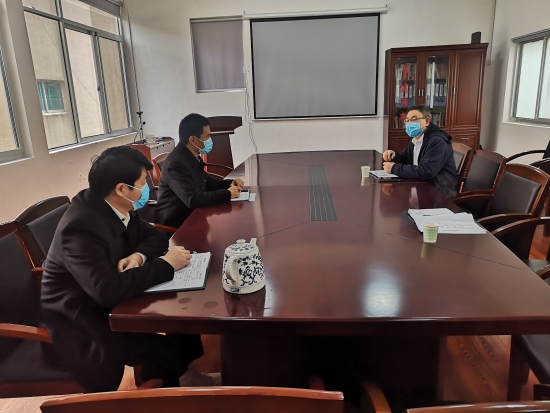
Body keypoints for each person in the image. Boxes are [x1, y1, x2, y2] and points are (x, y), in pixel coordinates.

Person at [40, 146, 216, 393]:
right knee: (163, 349)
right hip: (79, 323)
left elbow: (155, 236)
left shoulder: (113, 205)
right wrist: (166, 264)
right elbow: (106, 291)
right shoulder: (79, 228)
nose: (147, 189)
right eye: (143, 183)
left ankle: (186, 378)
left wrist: (139, 256)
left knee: (180, 314)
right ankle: (173, 395)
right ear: (122, 189)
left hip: (109, 302)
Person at [155, 113, 244, 228]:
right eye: (207, 136)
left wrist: (230, 183)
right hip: (178, 224)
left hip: (194, 215)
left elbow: (207, 182)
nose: (210, 140)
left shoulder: (191, 157)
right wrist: (227, 194)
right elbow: (193, 199)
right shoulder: (176, 164)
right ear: (193, 140)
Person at [382, 105, 457, 197]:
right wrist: (394, 156)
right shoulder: (417, 138)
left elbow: (427, 171)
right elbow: (407, 158)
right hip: (420, 186)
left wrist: (394, 168)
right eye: (407, 120)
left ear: (427, 121)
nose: (409, 124)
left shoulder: (437, 141)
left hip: (438, 193)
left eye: (414, 119)